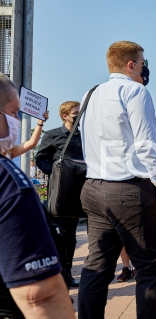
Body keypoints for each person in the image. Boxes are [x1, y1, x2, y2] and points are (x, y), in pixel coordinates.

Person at [77, 41, 156, 319]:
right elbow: (147, 145)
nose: (145, 68)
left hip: (94, 188)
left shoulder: (90, 93)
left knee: (97, 266)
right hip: (129, 190)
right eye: (143, 63)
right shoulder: (135, 91)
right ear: (131, 65)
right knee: (151, 265)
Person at [0, 72, 75, 318]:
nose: (16, 120)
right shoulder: (10, 182)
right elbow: (41, 295)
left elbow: (29, 144)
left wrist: (40, 123)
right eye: (13, 113)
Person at [35, 101, 83, 289]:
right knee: (63, 234)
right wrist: (56, 174)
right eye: (75, 114)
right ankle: (64, 274)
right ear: (65, 116)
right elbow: (40, 158)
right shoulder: (52, 135)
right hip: (61, 192)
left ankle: (68, 272)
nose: (78, 117)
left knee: (72, 236)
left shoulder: (86, 136)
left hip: (83, 190)